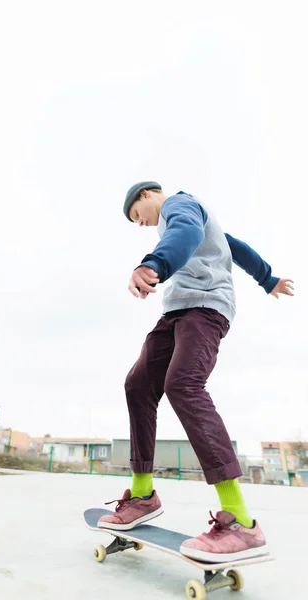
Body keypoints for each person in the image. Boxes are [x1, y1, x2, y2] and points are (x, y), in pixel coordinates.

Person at [98, 181, 294, 562]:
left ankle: (240, 521)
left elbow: (184, 232)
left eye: (137, 216)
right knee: (138, 385)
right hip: (176, 312)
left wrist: (154, 263)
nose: (141, 224)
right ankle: (142, 495)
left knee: (183, 385)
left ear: (147, 196)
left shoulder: (180, 206)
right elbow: (233, 246)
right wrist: (267, 278)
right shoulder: (191, 218)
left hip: (205, 309)